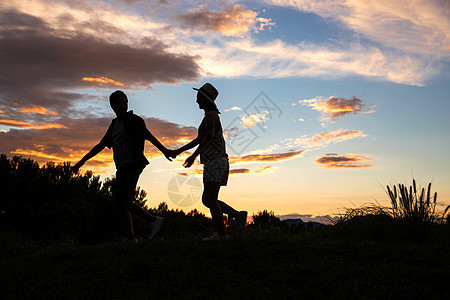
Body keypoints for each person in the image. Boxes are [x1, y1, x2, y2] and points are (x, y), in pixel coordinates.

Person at [73, 90, 170, 244]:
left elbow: (148, 135)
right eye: (118, 103)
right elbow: (101, 145)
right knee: (121, 204)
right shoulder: (114, 125)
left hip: (133, 163)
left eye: (124, 102)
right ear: (112, 106)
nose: (122, 105)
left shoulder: (134, 120)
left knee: (122, 202)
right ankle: (131, 238)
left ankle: (153, 220)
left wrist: (165, 151)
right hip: (122, 165)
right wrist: (82, 161)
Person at [172, 83, 247, 241]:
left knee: (209, 199)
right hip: (216, 161)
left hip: (215, 161)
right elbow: (200, 139)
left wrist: (193, 156)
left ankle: (222, 233)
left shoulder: (211, 116)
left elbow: (205, 139)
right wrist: (179, 151)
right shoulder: (210, 116)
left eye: (199, 97)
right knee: (209, 199)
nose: (196, 100)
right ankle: (236, 217)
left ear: (206, 99)